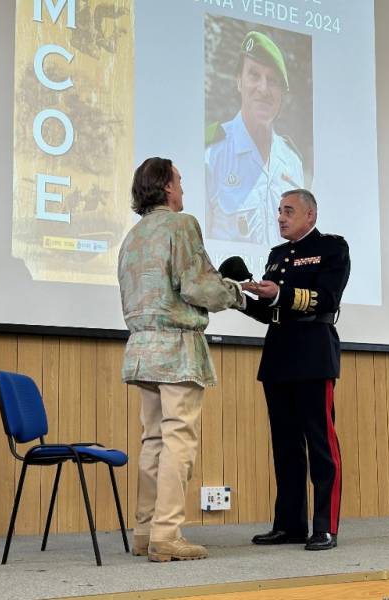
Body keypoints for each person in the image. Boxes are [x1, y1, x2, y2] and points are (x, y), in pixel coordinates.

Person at [118, 157, 243, 562]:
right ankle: (167, 534)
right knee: (178, 441)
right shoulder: (181, 224)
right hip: (176, 349)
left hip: (141, 350)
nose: (184, 189)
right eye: (180, 182)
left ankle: (144, 531)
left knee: (153, 439)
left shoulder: (132, 237)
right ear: (167, 188)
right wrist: (236, 293)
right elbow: (197, 285)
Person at [238, 188, 349, 551]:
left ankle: (325, 526)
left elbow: (327, 298)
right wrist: (241, 297)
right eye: (279, 211)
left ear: (310, 216)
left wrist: (280, 294)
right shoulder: (276, 255)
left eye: (288, 211)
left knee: (321, 446)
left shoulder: (332, 248)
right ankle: (289, 525)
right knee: (285, 448)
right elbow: (270, 312)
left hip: (314, 353)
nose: (281, 217)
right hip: (279, 357)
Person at [206, 30, 305, 246]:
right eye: (254, 75)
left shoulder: (293, 163)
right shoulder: (212, 154)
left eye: (272, 80)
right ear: (239, 81)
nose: (263, 88)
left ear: (282, 93)